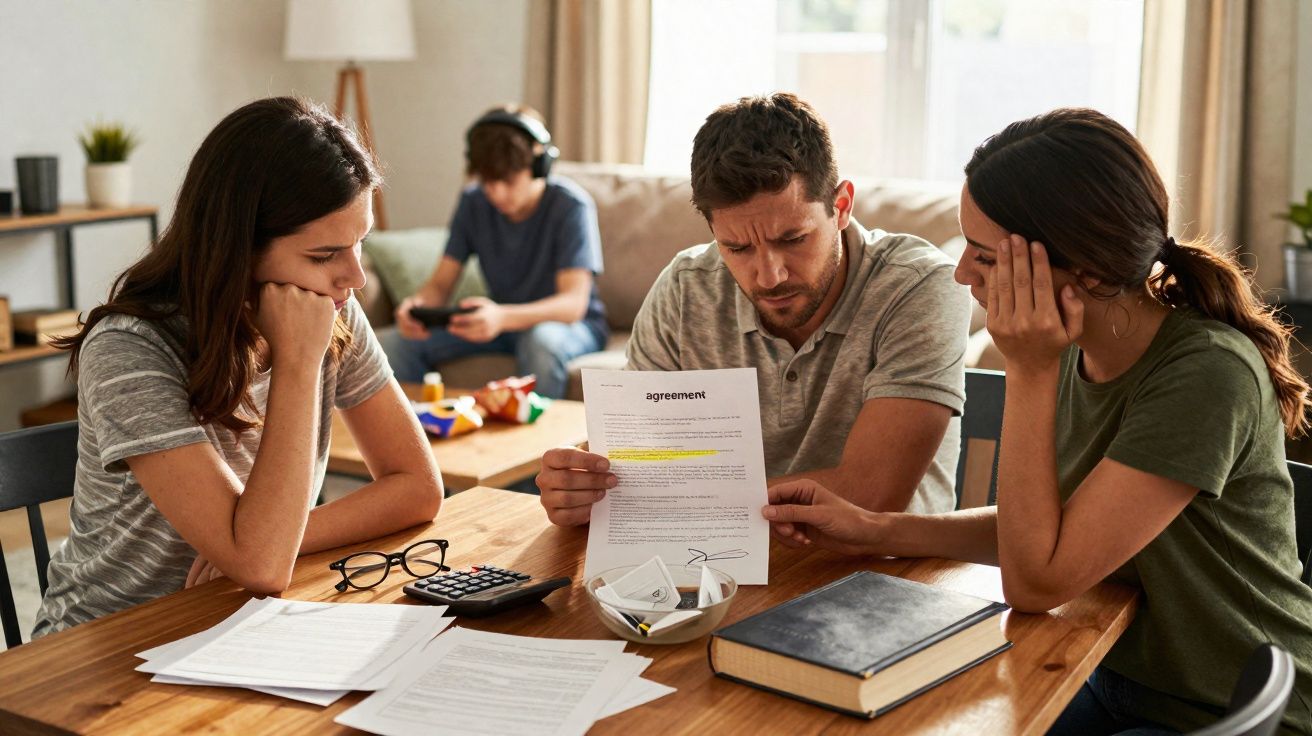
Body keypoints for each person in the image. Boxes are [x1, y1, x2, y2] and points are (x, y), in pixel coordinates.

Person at [762, 108, 1312, 735]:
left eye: (986, 257)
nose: (962, 273)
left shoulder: (1206, 376)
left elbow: (1037, 580)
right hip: (1118, 676)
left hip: (1221, 711)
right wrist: (875, 529)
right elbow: (1045, 534)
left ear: (1089, 270)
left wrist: (1026, 372)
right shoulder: (1079, 347)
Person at [33, 97, 444, 637]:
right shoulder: (128, 349)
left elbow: (417, 487)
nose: (355, 277)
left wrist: (283, 536)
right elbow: (261, 566)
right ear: (237, 247)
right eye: (323, 255)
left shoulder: (332, 309)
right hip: (110, 639)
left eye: (359, 243)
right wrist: (298, 364)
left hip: (237, 619)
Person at [537, 93, 972, 527]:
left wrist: (675, 498)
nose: (769, 276)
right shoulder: (686, 289)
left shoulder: (920, 286)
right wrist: (584, 488)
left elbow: (871, 495)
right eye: (737, 247)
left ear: (840, 206)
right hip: (713, 564)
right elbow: (640, 463)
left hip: (885, 577)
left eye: (792, 239)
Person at [380, 105, 608, 399]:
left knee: (541, 342)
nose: (496, 193)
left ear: (538, 168)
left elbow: (571, 305)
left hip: (569, 327)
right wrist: (415, 308)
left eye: (508, 181)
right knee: (394, 342)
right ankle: (416, 438)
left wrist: (501, 317)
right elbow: (440, 285)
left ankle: (540, 446)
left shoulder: (571, 206)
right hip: (502, 322)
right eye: (488, 182)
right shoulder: (473, 203)